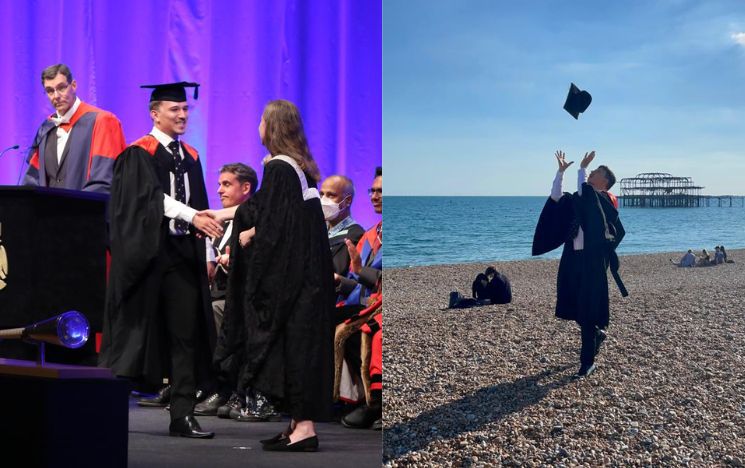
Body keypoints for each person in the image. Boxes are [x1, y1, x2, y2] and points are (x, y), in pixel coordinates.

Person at [100, 82, 224, 439]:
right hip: (147, 257)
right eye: (174, 110)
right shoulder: (139, 153)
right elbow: (149, 199)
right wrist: (190, 216)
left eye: (185, 110)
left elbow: (201, 210)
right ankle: (108, 414)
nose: (182, 115)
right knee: (134, 335)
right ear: (155, 113)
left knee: (185, 337)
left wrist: (207, 247)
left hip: (183, 256)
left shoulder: (192, 156)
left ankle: (182, 415)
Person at [215, 99, 335, 451]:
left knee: (296, 348)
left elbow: (278, 229)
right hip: (310, 276)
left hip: (297, 283)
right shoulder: (299, 168)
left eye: (261, 121)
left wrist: (254, 238)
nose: (258, 127)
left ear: (273, 127)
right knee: (296, 346)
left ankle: (305, 429)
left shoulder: (281, 169)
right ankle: (296, 424)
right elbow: (287, 218)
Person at [532, 150, 626, 378]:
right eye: (590, 172)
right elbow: (555, 199)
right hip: (572, 260)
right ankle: (596, 334)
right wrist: (560, 172)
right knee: (572, 305)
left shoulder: (603, 201)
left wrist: (582, 169)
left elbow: (613, 228)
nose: (591, 172)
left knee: (587, 311)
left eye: (595, 172)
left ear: (604, 182)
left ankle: (587, 362)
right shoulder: (580, 199)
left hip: (592, 264)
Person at [194, 163, 257, 417]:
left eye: (226, 184)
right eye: (219, 184)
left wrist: (233, 262)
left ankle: (224, 386)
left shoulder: (253, 219)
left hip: (243, 297)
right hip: (220, 292)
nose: (219, 190)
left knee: (214, 312)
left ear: (246, 187)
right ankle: (193, 383)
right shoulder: (220, 223)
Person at [24, 63, 126, 193]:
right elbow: (33, 179)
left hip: (86, 210)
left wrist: (76, 208)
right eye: (50, 91)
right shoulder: (46, 128)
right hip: (48, 211)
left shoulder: (102, 121)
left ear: (73, 86)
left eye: (61, 88)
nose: (56, 96)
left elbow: (105, 179)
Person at [339, 167, 383, 430]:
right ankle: (353, 398)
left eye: (381, 191)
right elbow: (355, 281)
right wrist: (338, 280)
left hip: (381, 304)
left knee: (372, 332)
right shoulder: (370, 234)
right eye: (373, 190)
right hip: (364, 302)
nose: (375, 196)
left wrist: (358, 270)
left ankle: (375, 403)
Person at [320, 175, 365, 277]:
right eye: (321, 194)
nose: (323, 200)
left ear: (347, 200)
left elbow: (337, 272)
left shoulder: (355, 235)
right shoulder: (318, 230)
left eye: (331, 195)